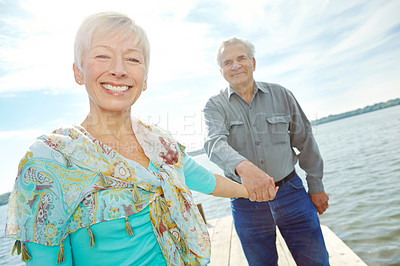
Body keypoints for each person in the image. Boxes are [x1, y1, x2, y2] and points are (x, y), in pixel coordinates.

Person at [5, 14, 277, 265]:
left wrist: (253, 189)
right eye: (102, 56)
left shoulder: (160, 143)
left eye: (133, 59)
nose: (119, 70)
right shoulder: (48, 161)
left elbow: (205, 180)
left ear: (144, 79)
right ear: (78, 72)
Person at [202, 37, 330, 266]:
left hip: (292, 193)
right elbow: (214, 144)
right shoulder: (214, 106)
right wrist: (246, 168)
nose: (235, 65)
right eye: (227, 62)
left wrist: (316, 186)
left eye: (241, 58)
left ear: (253, 62)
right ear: (221, 70)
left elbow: (306, 141)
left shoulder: (282, 94)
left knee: (316, 262)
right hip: (245, 200)